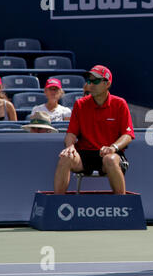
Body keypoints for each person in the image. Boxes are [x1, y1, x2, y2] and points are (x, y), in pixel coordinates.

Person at [54, 65, 134, 194]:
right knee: (65, 158)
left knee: (110, 159)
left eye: (95, 81)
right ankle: (57, 205)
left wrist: (113, 148)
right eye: (89, 80)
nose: (91, 84)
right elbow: (71, 134)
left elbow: (127, 135)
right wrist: (70, 147)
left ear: (107, 84)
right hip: (84, 154)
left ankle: (121, 205)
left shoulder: (120, 104)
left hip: (109, 153)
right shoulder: (80, 104)